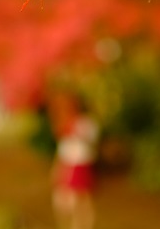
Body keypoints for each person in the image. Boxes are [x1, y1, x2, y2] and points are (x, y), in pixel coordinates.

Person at [51, 95, 99, 229]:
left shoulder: (85, 123)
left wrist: (76, 131)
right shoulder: (65, 123)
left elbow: (90, 141)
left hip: (80, 163)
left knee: (81, 200)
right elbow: (63, 149)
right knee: (63, 200)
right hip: (68, 163)